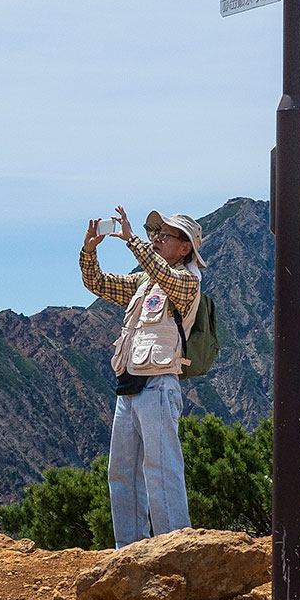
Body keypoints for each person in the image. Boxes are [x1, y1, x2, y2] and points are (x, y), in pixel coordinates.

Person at [80, 206, 206, 548]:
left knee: (160, 468)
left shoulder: (188, 281)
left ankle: (175, 545)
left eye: (165, 235)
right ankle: (131, 549)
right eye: (155, 233)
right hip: (131, 385)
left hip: (159, 384)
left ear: (185, 248)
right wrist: (89, 251)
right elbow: (99, 284)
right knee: (121, 472)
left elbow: (165, 275)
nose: (157, 238)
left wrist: (132, 240)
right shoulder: (143, 283)